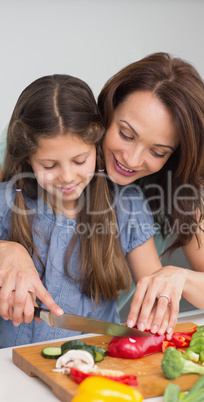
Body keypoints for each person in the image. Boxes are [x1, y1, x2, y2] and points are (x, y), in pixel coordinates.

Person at [0, 53, 204, 341]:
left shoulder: (153, 197)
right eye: (126, 134)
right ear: (104, 118)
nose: (132, 159)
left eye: (158, 151)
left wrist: (178, 276)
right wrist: (7, 249)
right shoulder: (43, 139)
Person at [0, 74, 159, 348]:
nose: (67, 177)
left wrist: (146, 322)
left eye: (79, 160)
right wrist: (6, 249)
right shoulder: (6, 203)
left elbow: (155, 296)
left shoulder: (126, 206)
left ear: (97, 149)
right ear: (28, 157)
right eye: (49, 165)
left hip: (95, 365)